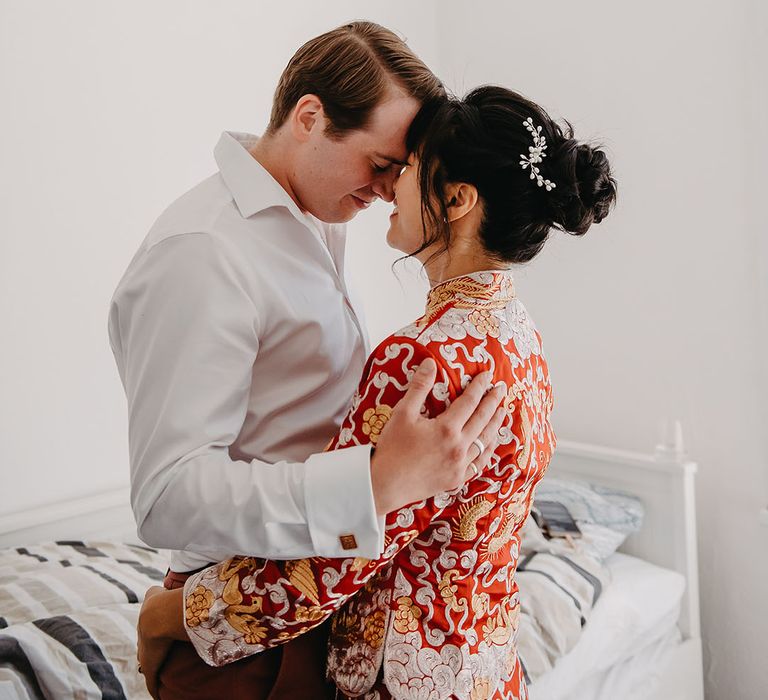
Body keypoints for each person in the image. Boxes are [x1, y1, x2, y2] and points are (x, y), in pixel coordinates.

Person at [137, 86, 618, 699]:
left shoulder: (422, 360)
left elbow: (323, 566)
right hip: (486, 669)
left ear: (458, 199)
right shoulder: (518, 336)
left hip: (401, 680)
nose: (390, 187)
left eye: (408, 169)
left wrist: (165, 617)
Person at [108, 20, 506, 699]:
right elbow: (166, 496)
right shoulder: (203, 252)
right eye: (381, 165)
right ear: (311, 117)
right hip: (237, 626)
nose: (389, 192)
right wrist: (373, 485)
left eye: (400, 172)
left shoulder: (315, 213)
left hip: (308, 593)